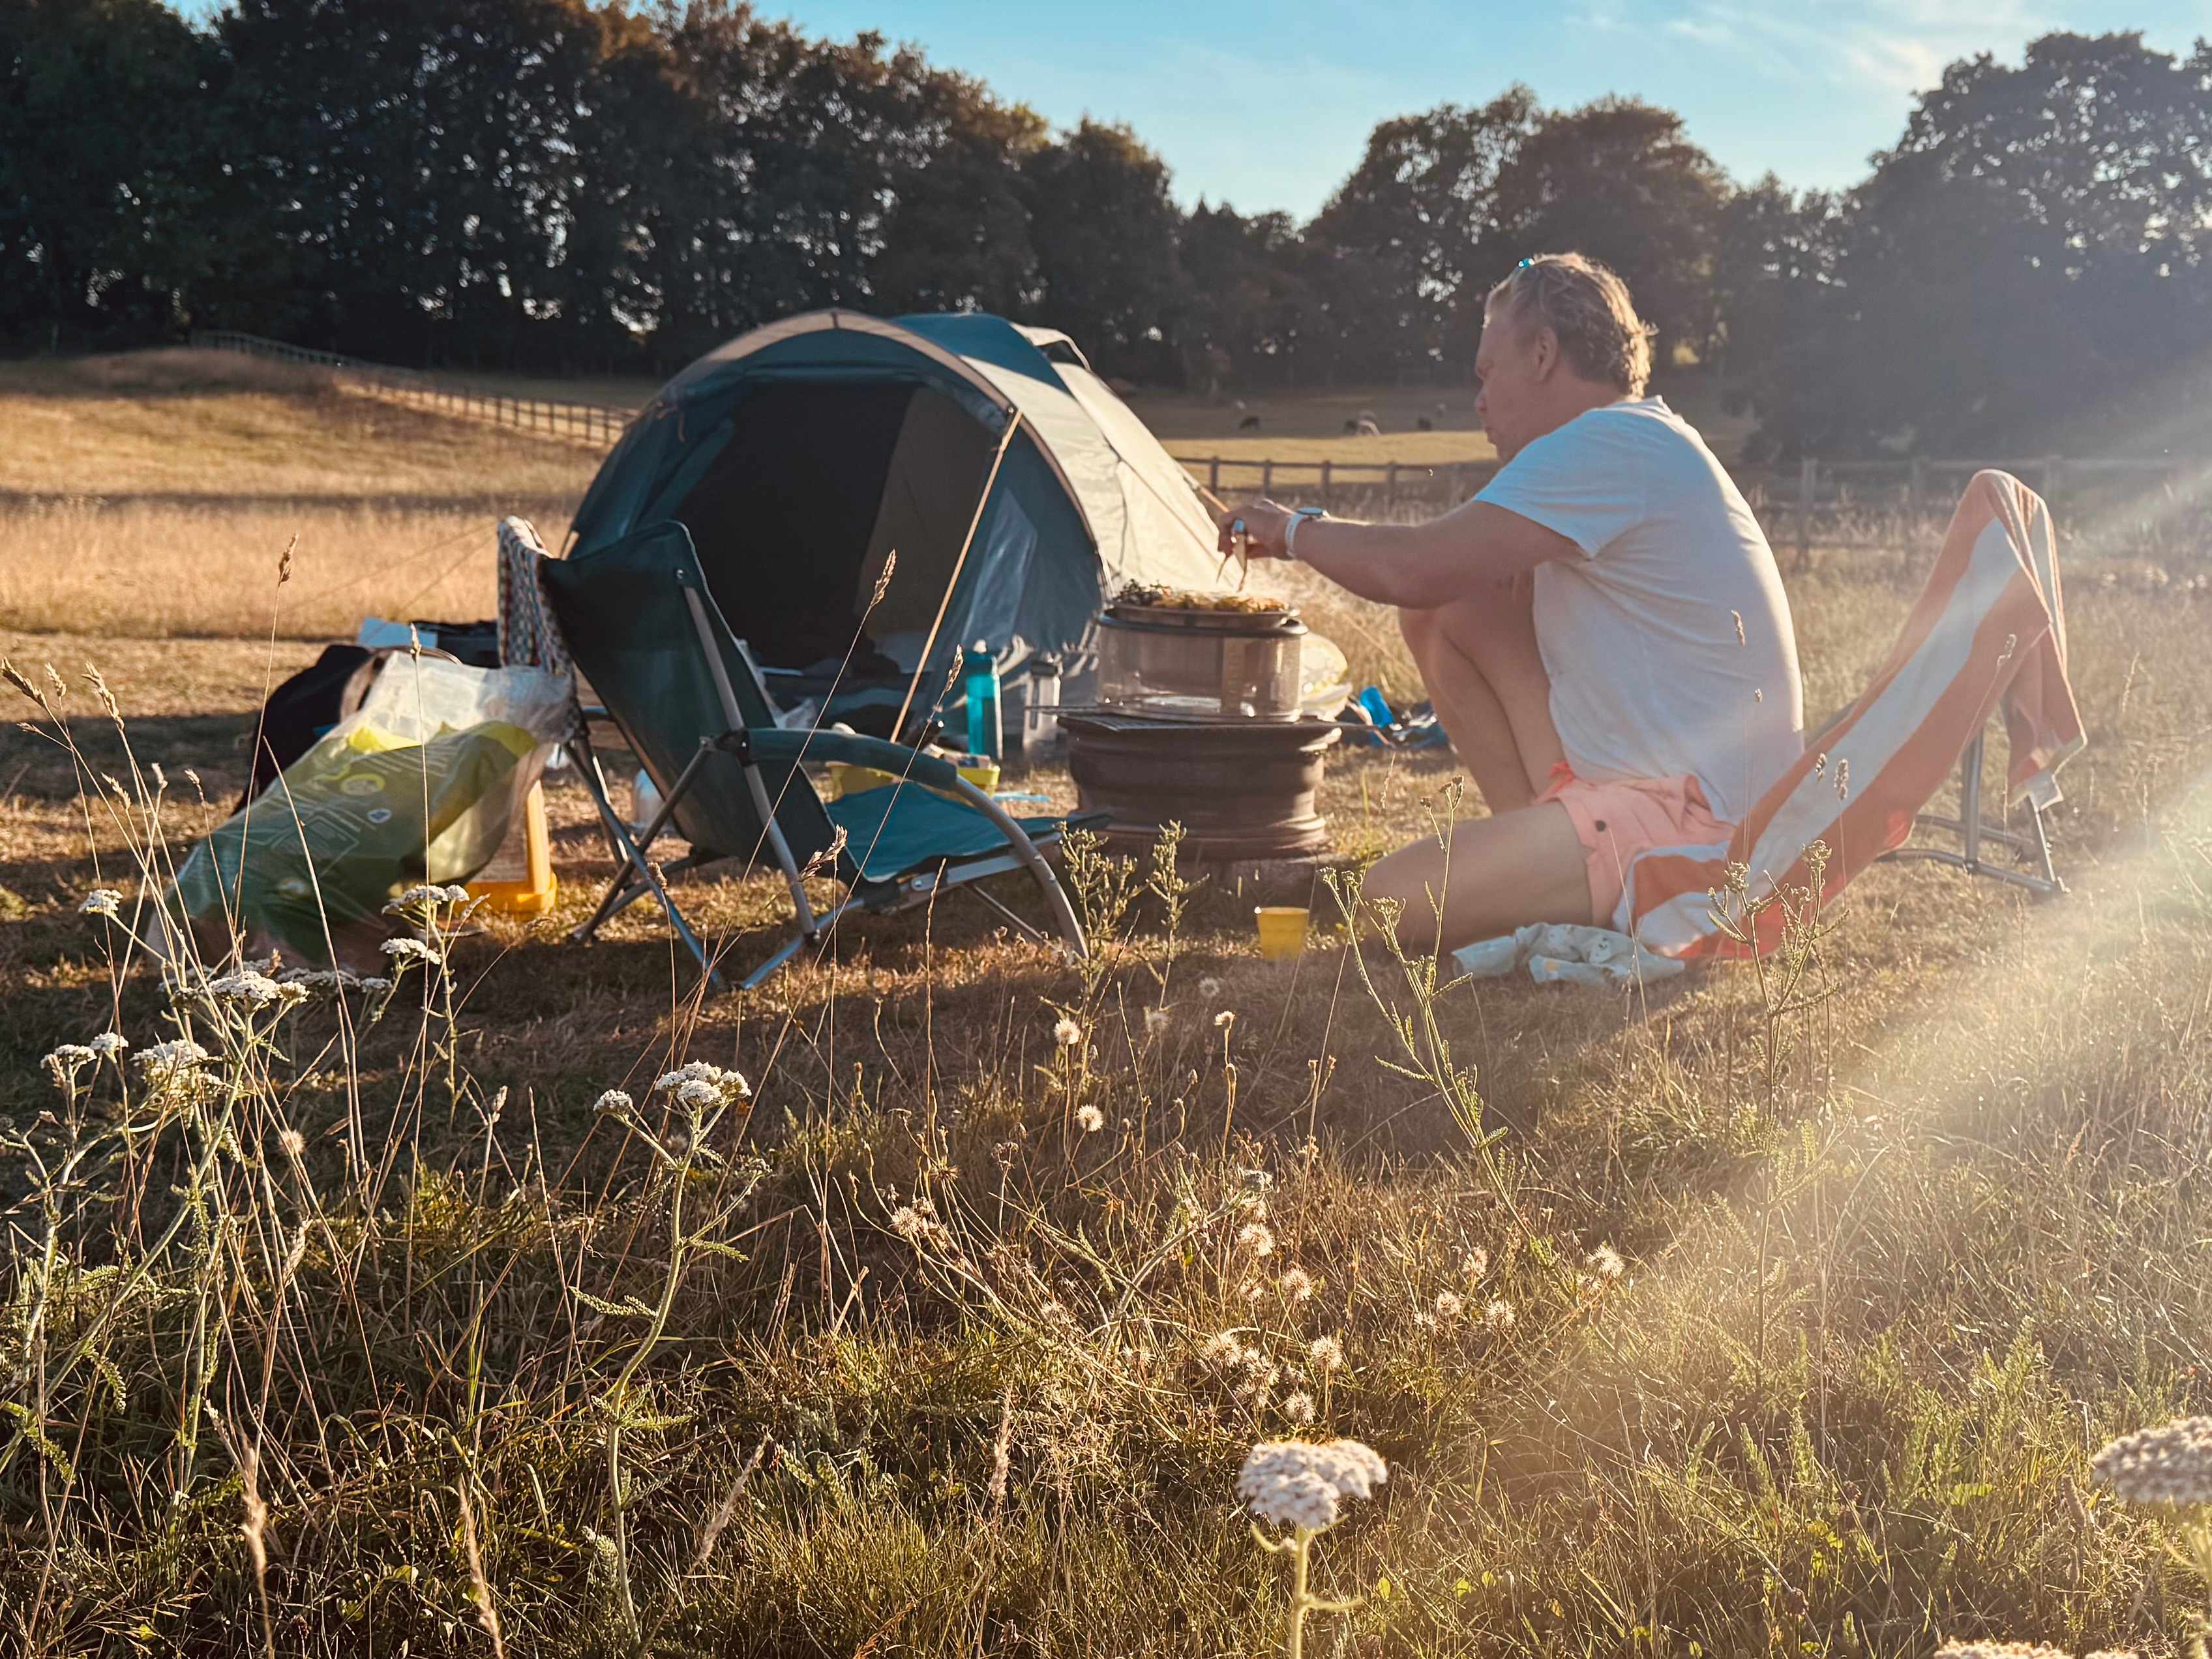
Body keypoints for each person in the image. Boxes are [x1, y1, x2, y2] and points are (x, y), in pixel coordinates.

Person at [1217, 252, 1803, 952]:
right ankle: (1542, 862)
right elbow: (1445, 587)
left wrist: (1290, 530)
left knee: (1383, 905)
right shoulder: (1641, 441)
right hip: (1658, 794)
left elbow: (1416, 568)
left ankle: (1563, 889)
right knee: (1451, 611)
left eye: (1487, 371)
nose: (1478, 399)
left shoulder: (1608, 443)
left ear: (1543, 354)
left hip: (1697, 832)